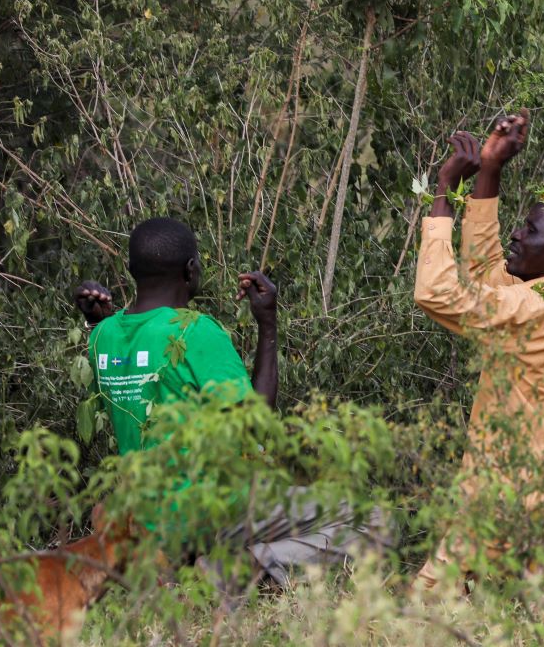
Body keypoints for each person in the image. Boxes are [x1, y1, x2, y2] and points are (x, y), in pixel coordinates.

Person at [74, 217, 386, 590]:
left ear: (131, 270)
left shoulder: (101, 337)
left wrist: (97, 320)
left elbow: (129, 348)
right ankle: (245, 568)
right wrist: (267, 323)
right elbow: (255, 425)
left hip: (149, 519)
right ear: (190, 270)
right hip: (212, 513)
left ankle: (179, 566)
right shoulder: (194, 330)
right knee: (375, 521)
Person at [412, 110, 544, 591]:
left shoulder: (538, 312)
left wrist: (443, 191)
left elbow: (437, 294)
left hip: (505, 503)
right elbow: (488, 280)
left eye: (531, 230)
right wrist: (491, 170)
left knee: (422, 616)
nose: (517, 235)